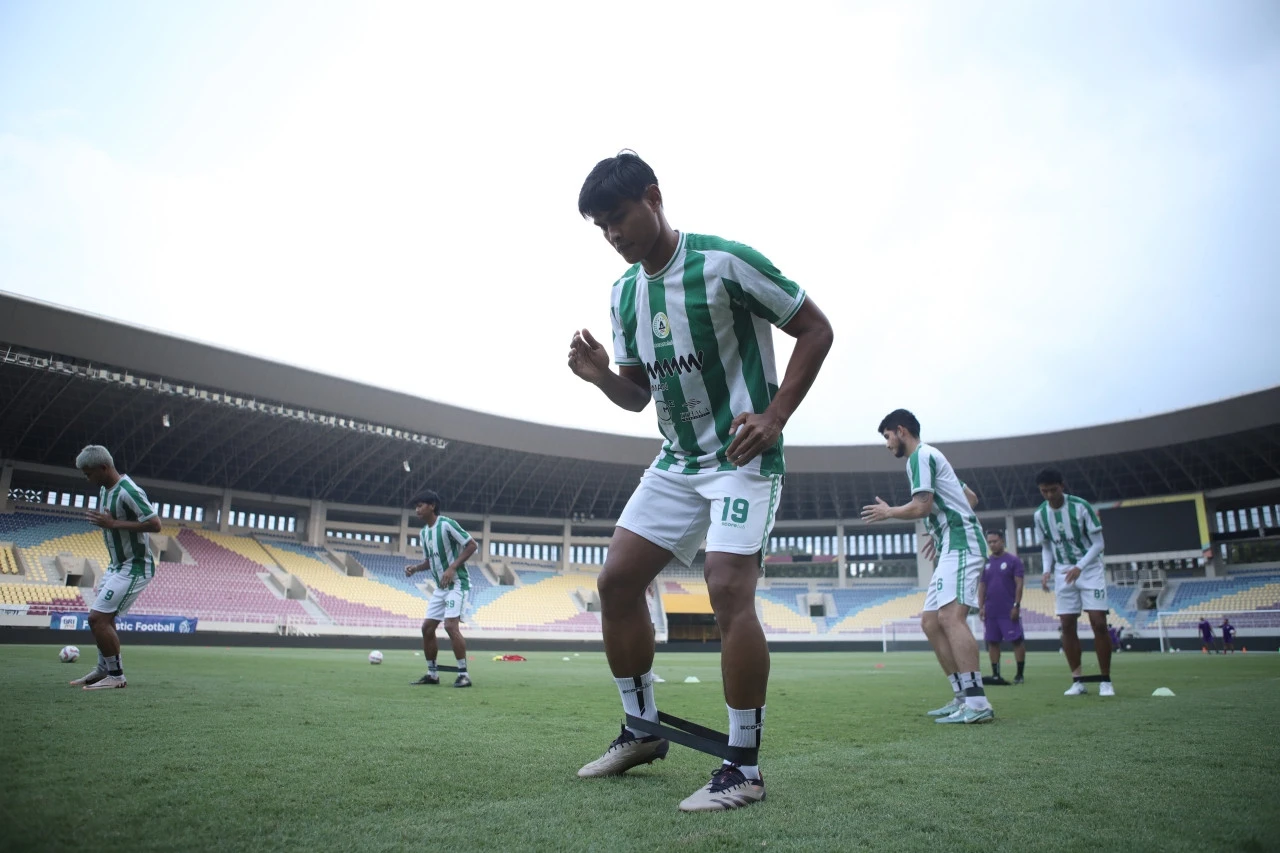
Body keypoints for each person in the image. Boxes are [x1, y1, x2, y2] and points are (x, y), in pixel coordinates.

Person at [567, 151, 833, 812]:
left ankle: (742, 765)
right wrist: (601, 375)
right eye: (601, 226)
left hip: (742, 457)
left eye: (619, 217)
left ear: (653, 197)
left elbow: (815, 328)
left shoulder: (723, 262)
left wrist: (775, 415)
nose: (613, 235)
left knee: (727, 586)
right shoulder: (625, 292)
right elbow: (636, 395)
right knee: (615, 582)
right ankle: (641, 729)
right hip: (678, 461)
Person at [861, 409, 993, 724]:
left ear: (901, 431)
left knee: (950, 617)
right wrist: (940, 528)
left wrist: (890, 512)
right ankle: (962, 696)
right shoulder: (933, 458)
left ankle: (977, 702)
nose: (887, 444)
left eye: (887, 436)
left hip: (962, 543)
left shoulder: (919, 457)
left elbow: (922, 506)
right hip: (951, 542)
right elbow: (970, 498)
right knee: (930, 622)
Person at [71, 445, 161, 690]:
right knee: (103, 620)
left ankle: (116, 676)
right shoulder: (104, 489)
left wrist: (113, 523)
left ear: (103, 467)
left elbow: (155, 524)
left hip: (135, 567)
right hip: (116, 565)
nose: (87, 478)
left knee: (97, 618)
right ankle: (104, 670)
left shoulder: (128, 491)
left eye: (89, 473)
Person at [1035, 468, 1114, 696]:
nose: (1049, 495)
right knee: (1067, 624)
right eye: (1044, 491)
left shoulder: (1081, 507)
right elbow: (1047, 546)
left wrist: (1080, 566)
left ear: (1062, 485)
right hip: (1062, 572)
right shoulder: (1040, 515)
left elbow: (1099, 544)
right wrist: (1046, 570)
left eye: (1053, 489)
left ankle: (1105, 680)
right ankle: (1077, 680)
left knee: (1099, 623)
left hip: (1088, 570)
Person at [405, 490, 477, 688]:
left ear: (432, 506)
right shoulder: (424, 533)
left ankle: (464, 674)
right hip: (440, 587)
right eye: (416, 507)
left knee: (450, 626)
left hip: (457, 584)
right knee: (427, 628)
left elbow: (471, 545)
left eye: (420, 505)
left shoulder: (446, 524)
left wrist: (452, 567)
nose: (417, 510)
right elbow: (430, 561)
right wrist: (416, 568)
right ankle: (432, 674)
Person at [978, 531, 1026, 685]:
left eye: (995, 541)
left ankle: (1019, 674)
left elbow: (1019, 584)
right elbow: (983, 586)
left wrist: (1016, 605)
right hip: (991, 610)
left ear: (1002, 541)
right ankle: (996, 674)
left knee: (1016, 641)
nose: (992, 544)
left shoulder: (1013, 561)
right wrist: (981, 606)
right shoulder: (986, 562)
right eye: (990, 542)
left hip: (1008, 609)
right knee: (992, 642)